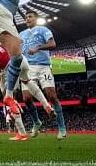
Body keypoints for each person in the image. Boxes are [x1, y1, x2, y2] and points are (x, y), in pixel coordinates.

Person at [20, 10, 67, 139]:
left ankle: (61, 128)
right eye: (26, 17)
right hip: (28, 69)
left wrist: (37, 48)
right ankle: (37, 122)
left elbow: (52, 44)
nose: (27, 19)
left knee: (51, 96)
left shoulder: (42, 29)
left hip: (43, 67)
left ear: (36, 18)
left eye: (30, 17)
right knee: (26, 98)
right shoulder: (21, 34)